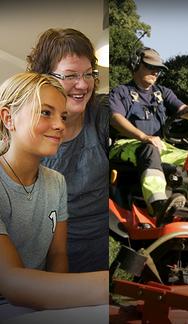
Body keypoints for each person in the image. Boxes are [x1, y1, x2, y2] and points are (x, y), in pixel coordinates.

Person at [0, 72, 106, 311]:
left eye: (63, 116)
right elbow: (11, 282)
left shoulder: (56, 181)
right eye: (46, 112)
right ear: (8, 118)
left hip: (38, 305)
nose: (60, 125)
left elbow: (58, 254)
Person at [27, 28, 110, 273]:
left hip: (103, 248)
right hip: (46, 254)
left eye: (88, 74)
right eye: (71, 75)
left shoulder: (103, 114)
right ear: (44, 79)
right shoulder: (24, 130)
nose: (83, 85)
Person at [109, 47, 188, 225]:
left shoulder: (163, 92)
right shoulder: (121, 92)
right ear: (136, 65)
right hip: (127, 146)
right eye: (151, 67)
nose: (156, 72)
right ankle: (158, 205)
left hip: (159, 146)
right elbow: (115, 118)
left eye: (158, 69)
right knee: (149, 150)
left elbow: (184, 111)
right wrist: (144, 137)